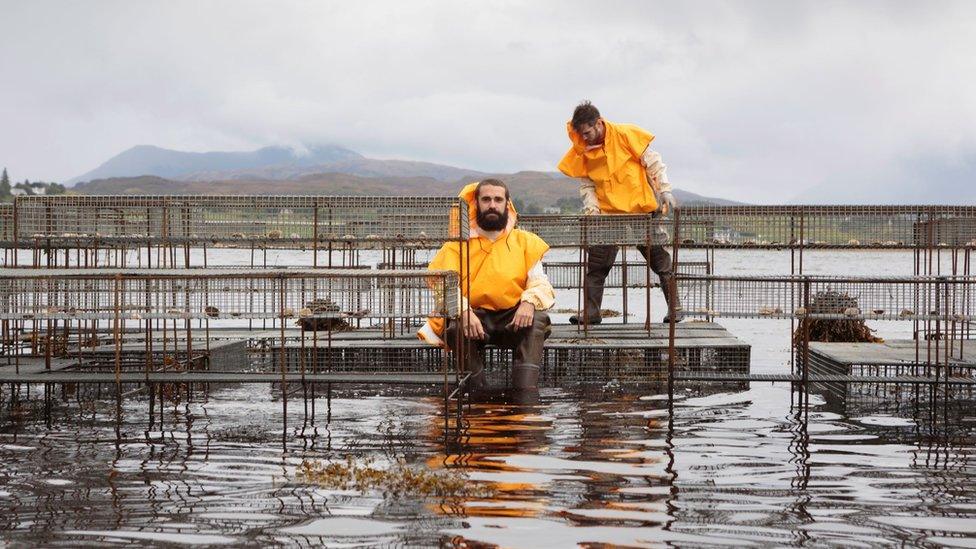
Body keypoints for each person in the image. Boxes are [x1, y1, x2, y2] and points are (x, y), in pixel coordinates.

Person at [418, 179, 555, 395]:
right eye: (486, 199)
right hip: (473, 318)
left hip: (512, 318)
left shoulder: (525, 242)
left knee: (537, 319)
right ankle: (476, 393)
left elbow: (540, 282)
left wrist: (529, 302)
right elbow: (443, 287)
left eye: (498, 199)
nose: (492, 205)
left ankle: (525, 395)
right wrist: (463, 311)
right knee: (454, 327)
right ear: (476, 204)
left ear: (507, 204)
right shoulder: (455, 247)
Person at [557, 100, 682, 325]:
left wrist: (664, 190)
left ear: (598, 123)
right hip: (608, 215)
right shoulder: (583, 149)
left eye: (587, 132)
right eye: (581, 134)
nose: (584, 138)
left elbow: (653, 162)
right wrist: (592, 210)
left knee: (659, 259)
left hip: (642, 211)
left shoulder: (625, 134)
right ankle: (592, 313)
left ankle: (675, 308)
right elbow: (587, 184)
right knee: (597, 264)